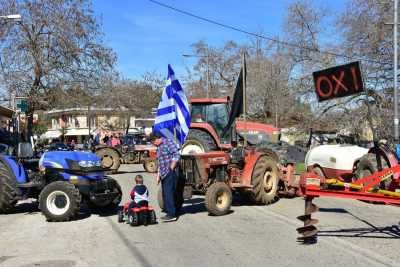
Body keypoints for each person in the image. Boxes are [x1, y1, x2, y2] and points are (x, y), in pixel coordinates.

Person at [150, 132, 180, 222]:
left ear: (156, 139)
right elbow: (160, 161)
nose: (153, 144)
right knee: (165, 193)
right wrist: (158, 175)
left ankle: (171, 214)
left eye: (153, 142)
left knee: (168, 193)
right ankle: (170, 210)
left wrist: (171, 167)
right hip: (163, 173)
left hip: (170, 172)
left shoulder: (168, 142)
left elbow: (176, 154)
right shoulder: (159, 147)